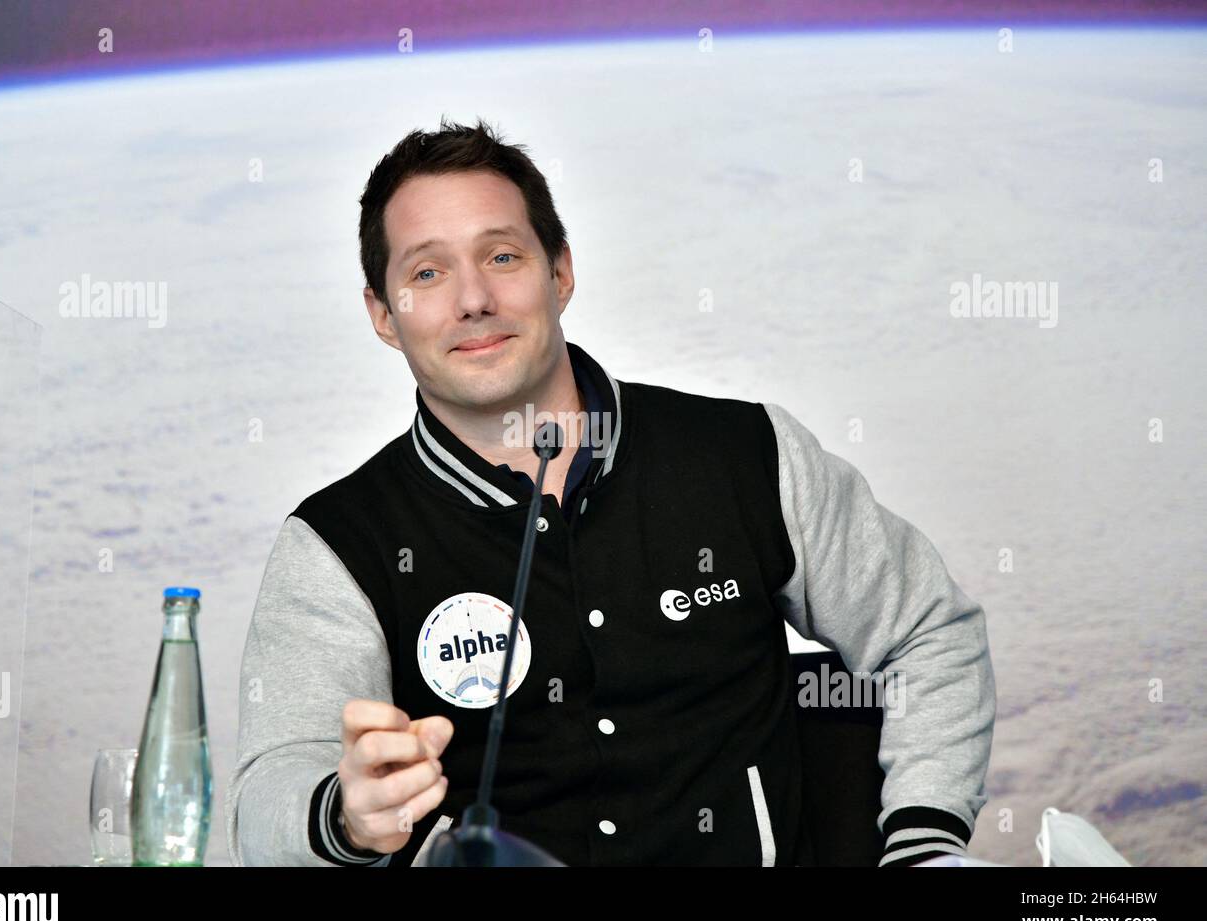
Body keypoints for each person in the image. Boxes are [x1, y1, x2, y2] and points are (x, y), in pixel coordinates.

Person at [226, 117, 996, 867]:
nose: (472, 299)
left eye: (501, 256)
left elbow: (928, 632)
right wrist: (347, 815)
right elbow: (269, 798)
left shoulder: (746, 454)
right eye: (426, 272)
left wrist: (924, 842)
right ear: (384, 316)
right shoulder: (335, 545)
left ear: (559, 272)